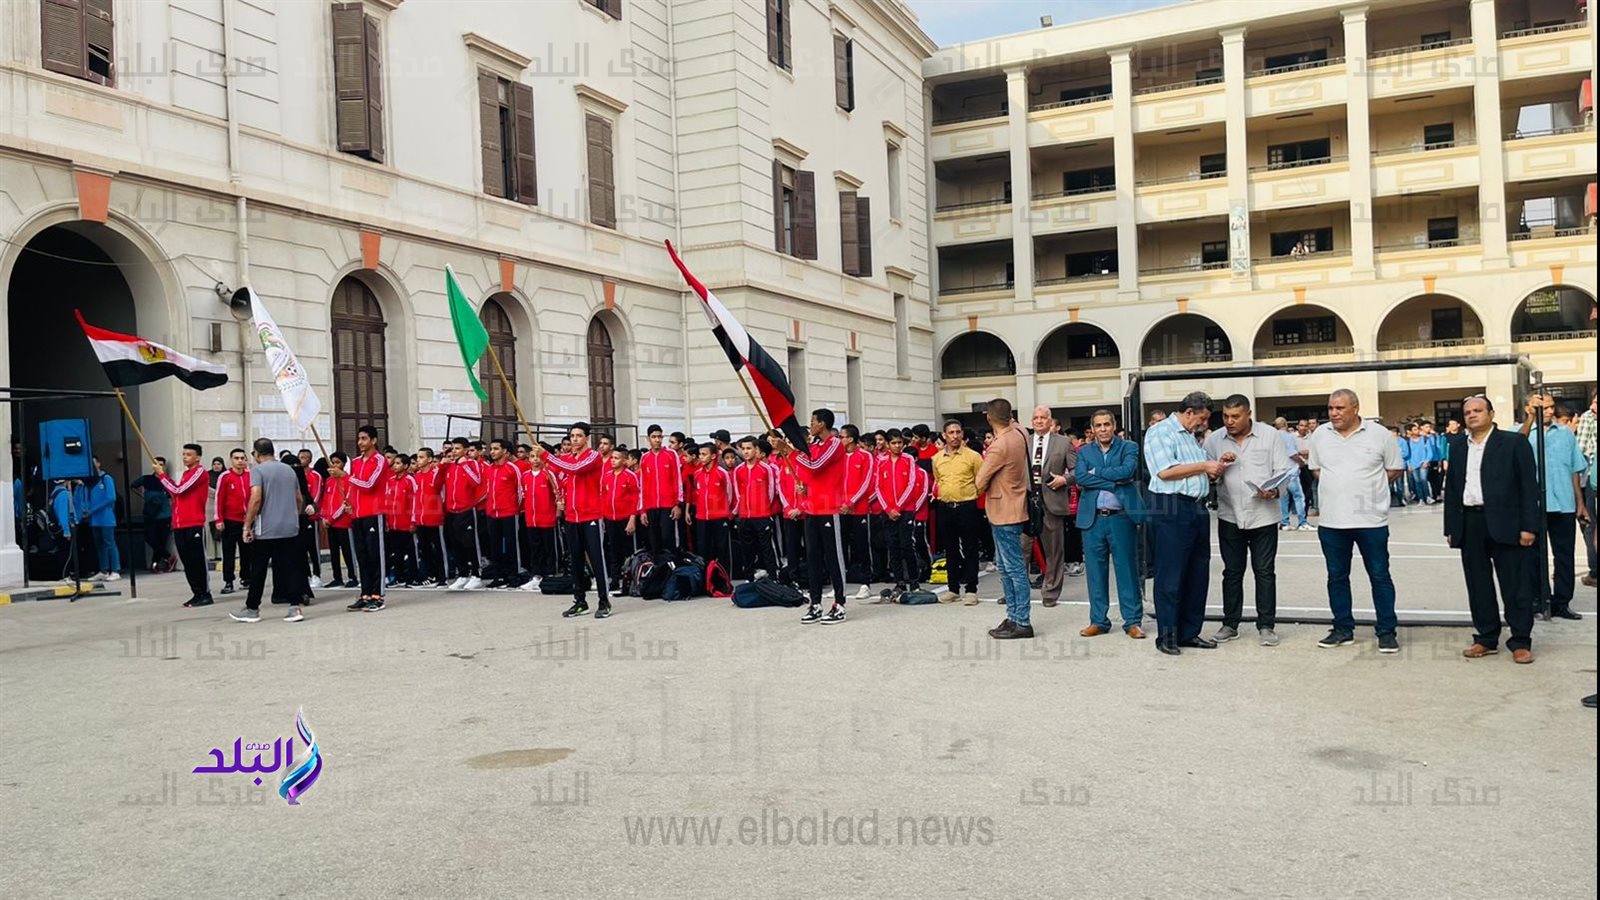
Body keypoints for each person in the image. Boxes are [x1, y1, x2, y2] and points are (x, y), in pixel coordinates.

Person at [1307, 389, 1405, 652]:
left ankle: (1386, 631)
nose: (1333, 413)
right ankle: (1342, 629)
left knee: (1379, 575)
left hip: (1371, 520)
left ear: (1355, 408)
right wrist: (1339, 488)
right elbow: (1316, 469)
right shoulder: (1320, 435)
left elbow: (1394, 469)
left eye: (1339, 408)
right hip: (1332, 521)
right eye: (1330, 408)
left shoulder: (1380, 434)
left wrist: (1368, 490)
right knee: (1337, 577)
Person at [1444, 395, 1539, 664]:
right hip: (1470, 522)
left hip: (1506, 523)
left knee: (1515, 585)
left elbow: (1528, 487)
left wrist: (1528, 526)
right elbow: (1452, 488)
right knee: (1478, 583)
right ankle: (1486, 637)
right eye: (1467, 412)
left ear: (1491, 413)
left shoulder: (1513, 443)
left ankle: (1520, 641)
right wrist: (1452, 527)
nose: (1472, 415)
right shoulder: (1458, 446)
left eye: (1478, 410)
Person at [1205, 396, 1290, 647]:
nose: (1229, 422)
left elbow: (1283, 470)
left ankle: (1266, 626)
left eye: (1235, 417)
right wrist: (1219, 468)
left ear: (1248, 414)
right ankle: (1230, 624)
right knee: (1232, 572)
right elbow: (1209, 478)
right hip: (1230, 515)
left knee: (1264, 572)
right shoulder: (1214, 440)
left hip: (1263, 515)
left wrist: (1274, 491)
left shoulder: (1269, 435)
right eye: (1226, 416)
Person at [1144, 392, 1225, 655]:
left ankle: (1190, 632)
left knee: (1197, 573)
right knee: (1170, 574)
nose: (1203, 424)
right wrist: (1204, 466)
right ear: (1189, 412)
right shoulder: (1160, 432)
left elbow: (1195, 471)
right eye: (1201, 418)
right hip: (1171, 507)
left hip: (1196, 508)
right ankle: (1167, 635)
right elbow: (1165, 471)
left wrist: (1214, 466)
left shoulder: (1190, 437)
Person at [1073, 409, 1145, 638]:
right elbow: (1081, 477)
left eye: (1107, 424)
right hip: (1092, 520)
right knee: (1095, 572)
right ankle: (1098, 621)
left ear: (1114, 426)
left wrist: (1098, 474)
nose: (1103, 429)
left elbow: (1127, 471)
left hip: (1121, 517)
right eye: (1098, 425)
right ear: (1092, 429)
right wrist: (1114, 483)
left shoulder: (1129, 447)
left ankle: (1132, 622)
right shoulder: (1084, 452)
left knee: (1127, 570)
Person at [1519, 392, 1590, 619]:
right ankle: (1539, 600)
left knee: (1564, 556)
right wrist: (1530, 420)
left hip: (1564, 504)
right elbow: (1515, 449)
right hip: (1534, 506)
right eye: (1543, 407)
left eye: (1551, 407)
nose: (1549, 411)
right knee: (1533, 558)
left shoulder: (1565, 434)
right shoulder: (1518, 432)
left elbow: (1574, 471)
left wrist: (1580, 503)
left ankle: (1562, 602)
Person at [229, 438, 310, 623]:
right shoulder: (288, 470)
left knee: (258, 569)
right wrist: (293, 516)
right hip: (290, 527)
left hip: (266, 528)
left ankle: (252, 609)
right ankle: (294, 607)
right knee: (291, 567)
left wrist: (247, 525)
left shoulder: (258, 470)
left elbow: (256, 498)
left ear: (257, 453)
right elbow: (299, 498)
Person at [540, 423, 612, 619]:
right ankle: (580, 601)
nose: (574, 439)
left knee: (597, 560)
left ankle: (604, 601)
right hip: (572, 516)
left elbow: (575, 469)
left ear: (586, 438)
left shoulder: (593, 456)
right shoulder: (567, 458)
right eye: (572, 436)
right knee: (576, 560)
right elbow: (557, 474)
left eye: (579, 436)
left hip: (591, 515)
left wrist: (547, 456)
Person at [786, 409, 850, 624]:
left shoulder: (834, 443)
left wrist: (789, 451)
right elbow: (807, 472)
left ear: (822, 423)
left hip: (829, 508)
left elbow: (815, 465)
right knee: (813, 558)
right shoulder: (814, 445)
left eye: (813, 421)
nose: (811, 424)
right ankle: (815, 604)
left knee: (833, 558)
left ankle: (839, 604)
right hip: (812, 508)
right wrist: (802, 487)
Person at [976, 398, 1032, 639]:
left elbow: (979, 481)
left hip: (1004, 510)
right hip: (1014, 505)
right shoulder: (1019, 432)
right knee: (1008, 568)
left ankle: (1021, 620)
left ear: (989, 417)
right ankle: (1013, 616)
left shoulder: (1000, 445)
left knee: (1013, 569)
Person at [1023, 405, 1075, 608]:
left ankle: (1050, 594)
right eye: (1035, 418)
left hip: (1052, 502)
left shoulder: (1063, 443)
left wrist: (1065, 479)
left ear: (1050, 421)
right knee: (1021, 550)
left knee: (1053, 551)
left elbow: (1077, 469)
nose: (1038, 421)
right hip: (1026, 502)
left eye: (1043, 418)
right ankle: (1018, 592)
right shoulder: (1024, 442)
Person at [932, 420, 983, 605]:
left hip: (967, 506)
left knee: (970, 548)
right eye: (951, 432)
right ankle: (953, 589)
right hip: (945, 507)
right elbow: (938, 480)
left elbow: (981, 481)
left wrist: (971, 496)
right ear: (944, 435)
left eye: (958, 432)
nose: (955, 436)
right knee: (950, 549)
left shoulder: (973, 456)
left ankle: (971, 590)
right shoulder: (936, 459)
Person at [157, 443, 212, 607]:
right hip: (180, 524)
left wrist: (162, 476)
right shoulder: (186, 474)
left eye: (188, 454)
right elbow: (177, 493)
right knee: (187, 561)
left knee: (197, 560)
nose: (185, 457)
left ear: (197, 457)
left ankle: (205, 593)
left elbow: (178, 490)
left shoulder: (199, 472)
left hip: (194, 523)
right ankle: (196, 593)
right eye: (183, 454)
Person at [344, 424, 391, 612]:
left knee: (375, 555)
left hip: (374, 513)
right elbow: (352, 487)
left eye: (364, 438)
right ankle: (365, 594)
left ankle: (378, 596)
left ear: (373, 440)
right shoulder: (355, 462)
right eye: (359, 438)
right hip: (357, 514)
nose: (360, 442)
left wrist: (345, 478)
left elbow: (369, 485)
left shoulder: (379, 460)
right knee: (361, 556)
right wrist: (348, 503)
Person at [873, 430, 920, 603]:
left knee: (907, 545)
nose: (897, 446)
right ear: (887, 444)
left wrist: (898, 507)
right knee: (892, 546)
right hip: (888, 511)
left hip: (905, 509)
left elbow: (911, 484)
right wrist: (888, 508)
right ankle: (899, 581)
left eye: (900, 443)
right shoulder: (881, 462)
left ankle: (914, 580)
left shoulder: (908, 460)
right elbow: (878, 486)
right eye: (893, 443)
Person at [441, 437, 485, 591]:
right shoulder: (450, 466)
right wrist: (442, 465)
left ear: (466, 450)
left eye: (457, 448)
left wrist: (464, 465)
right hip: (451, 510)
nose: (454, 452)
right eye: (453, 448)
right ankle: (463, 574)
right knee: (456, 543)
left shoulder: (471, 463)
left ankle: (476, 574)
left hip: (466, 510)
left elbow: (476, 481)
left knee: (469, 543)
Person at [733, 436, 780, 581]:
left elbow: (772, 491)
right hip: (744, 516)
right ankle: (749, 578)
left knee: (766, 549)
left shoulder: (766, 469)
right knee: (747, 550)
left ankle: (773, 577)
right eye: (743, 449)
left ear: (756, 450)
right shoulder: (738, 470)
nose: (746, 452)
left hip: (762, 515)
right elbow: (737, 492)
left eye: (749, 448)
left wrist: (765, 508)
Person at [839, 425, 877, 597]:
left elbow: (866, 482)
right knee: (841, 546)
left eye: (842, 437)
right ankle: (840, 582)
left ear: (851, 439)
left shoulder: (865, 456)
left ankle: (866, 582)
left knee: (862, 545)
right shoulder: (838, 457)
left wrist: (851, 501)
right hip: (840, 509)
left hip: (859, 509)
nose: (840, 440)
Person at [517, 449, 561, 591]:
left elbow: (558, 493)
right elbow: (523, 494)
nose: (535, 459)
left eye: (538, 457)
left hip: (547, 517)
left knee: (549, 547)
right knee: (535, 548)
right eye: (532, 457)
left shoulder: (548, 474)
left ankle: (550, 573)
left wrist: (558, 511)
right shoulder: (525, 476)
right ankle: (537, 575)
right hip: (531, 518)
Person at [481, 439, 522, 587]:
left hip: (509, 512)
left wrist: (514, 508)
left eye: (496, 449)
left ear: (505, 451)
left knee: (511, 545)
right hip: (492, 513)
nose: (492, 452)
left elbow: (520, 491)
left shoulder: (512, 468)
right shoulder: (490, 469)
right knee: (495, 545)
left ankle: (514, 575)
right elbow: (487, 490)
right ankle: (499, 576)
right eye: (491, 449)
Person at [638, 425, 683, 560]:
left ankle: (672, 569)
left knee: (668, 538)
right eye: (654, 437)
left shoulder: (671, 454)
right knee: (654, 540)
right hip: (651, 506)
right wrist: (642, 510)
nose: (657, 440)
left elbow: (677, 479)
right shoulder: (645, 458)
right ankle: (659, 570)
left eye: (659, 437)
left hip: (668, 505)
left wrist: (678, 504)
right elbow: (642, 485)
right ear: (648, 439)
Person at [690, 443, 734, 579]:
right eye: (700, 454)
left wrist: (726, 512)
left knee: (722, 549)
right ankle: (706, 580)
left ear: (714, 456)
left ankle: (725, 578)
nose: (701, 457)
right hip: (702, 517)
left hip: (720, 517)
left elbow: (730, 494)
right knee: (703, 549)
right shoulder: (697, 474)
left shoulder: (722, 473)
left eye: (704, 454)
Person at [602, 446, 643, 588]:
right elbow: (603, 496)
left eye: (616, 458)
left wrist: (632, 519)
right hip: (610, 518)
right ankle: (614, 578)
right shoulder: (606, 476)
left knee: (628, 550)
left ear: (625, 461)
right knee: (613, 549)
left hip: (625, 518)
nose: (613, 461)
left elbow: (636, 498)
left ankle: (629, 579)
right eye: (612, 458)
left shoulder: (629, 476)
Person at [215, 448, 251, 594]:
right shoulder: (225, 476)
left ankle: (246, 578)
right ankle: (228, 581)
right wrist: (219, 518)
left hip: (247, 520)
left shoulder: (251, 475)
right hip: (230, 520)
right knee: (228, 552)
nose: (240, 461)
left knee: (247, 551)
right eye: (236, 458)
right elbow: (219, 498)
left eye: (242, 458)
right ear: (231, 460)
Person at [319, 453, 358, 589]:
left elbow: (345, 502)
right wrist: (324, 517)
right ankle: (337, 577)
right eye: (332, 462)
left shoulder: (347, 480)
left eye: (337, 462)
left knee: (347, 550)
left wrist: (331, 518)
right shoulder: (329, 481)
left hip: (343, 522)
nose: (334, 465)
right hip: (330, 523)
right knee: (334, 551)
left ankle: (353, 576)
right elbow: (325, 501)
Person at [411, 447, 448, 588]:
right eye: (418, 457)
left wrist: (442, 464)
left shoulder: (434, 474)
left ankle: (442, 576)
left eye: (421, 457)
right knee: (424, 548)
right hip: (421, 519)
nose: (418, 460)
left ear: (429, 459)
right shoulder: (417, 477)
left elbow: (440, 487)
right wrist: (414, 519)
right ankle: (430, 575)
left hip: (434, 517)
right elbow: (414, 499)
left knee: (439, 548)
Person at [131, 460, 174, 572]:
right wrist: (143, 496)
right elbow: (133, 486)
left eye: (161, 464)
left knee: (161, 541)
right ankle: (168, 556)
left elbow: (174, 496)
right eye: (156, 464)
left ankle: (155, 565)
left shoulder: (167, 481)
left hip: (164, 515)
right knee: (149, 538)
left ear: (164, 466)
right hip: (150, 514)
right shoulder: (147, 479)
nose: (158, 466)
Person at [85, 457, 120, 581]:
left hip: (106, 517)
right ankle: (103, 570)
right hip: (94, 519)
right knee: (99, 545)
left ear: (99, 464)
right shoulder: (89, 481)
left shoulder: (106, 478)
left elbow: (111, 497)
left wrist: (92, 509)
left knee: (109, 543)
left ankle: (115, 570)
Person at [1275, 417, 1311, 531]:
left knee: (1283, 498)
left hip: (1278, 472)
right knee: (1299, 496)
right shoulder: (1288, 436)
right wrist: (1300, 462)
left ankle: (1284, 522)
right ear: (1285, 424)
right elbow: (1292, 454)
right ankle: (1302, 522)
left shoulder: (1273, 437)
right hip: (1290, 470)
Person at [1578, 391, 1597, 588]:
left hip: (1593, 477)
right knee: (1592, 523)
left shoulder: (1588, 418)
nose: (1593, 406)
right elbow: (1582, 448)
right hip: (1593, 478)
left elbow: (1582, 448)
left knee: (1592, 525)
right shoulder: (1588, 418)